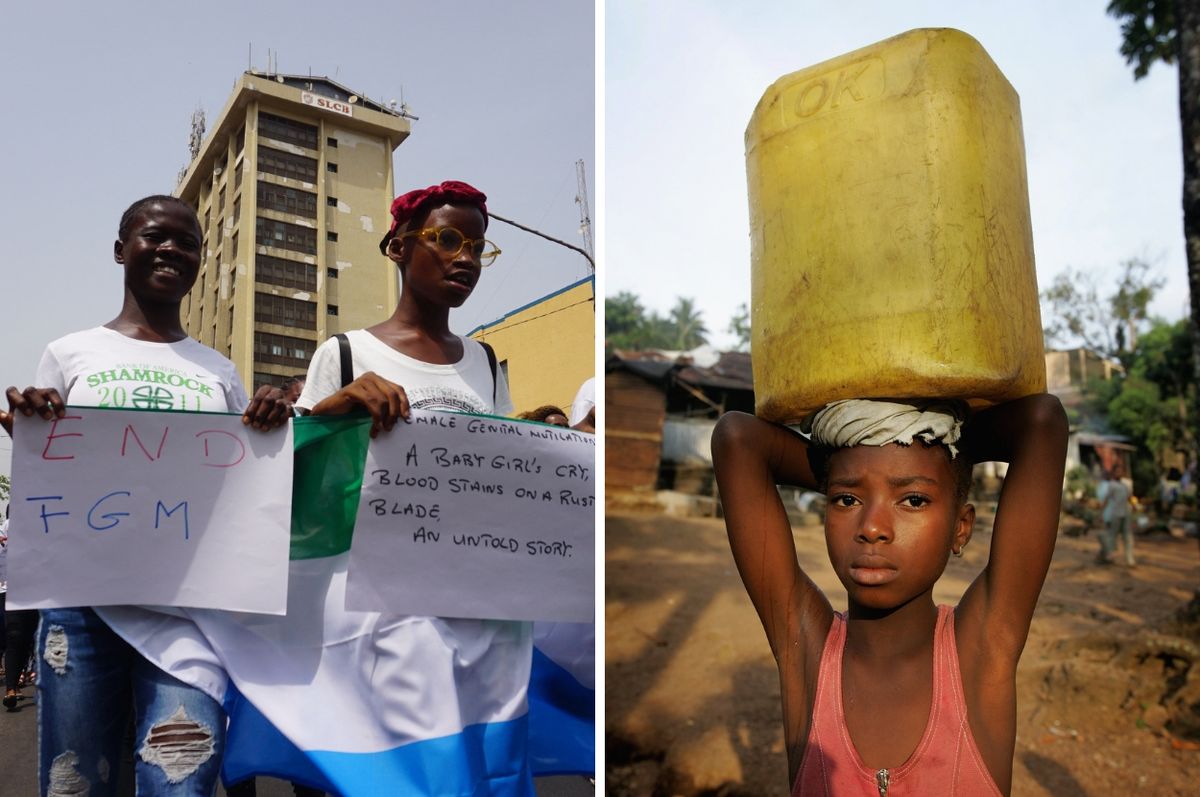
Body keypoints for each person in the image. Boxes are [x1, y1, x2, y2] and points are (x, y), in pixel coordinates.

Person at [2, 195, 290, 796]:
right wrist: (32, 421)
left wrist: (271, 417)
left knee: (180, 777)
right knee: (77, 778)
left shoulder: (218, 370)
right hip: (81, 607)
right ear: (119, 250)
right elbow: (49, 468)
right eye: (155, 236)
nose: (171, 249)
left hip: (187, 612)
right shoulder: (70, 351)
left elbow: (244, 484)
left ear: (199, 262)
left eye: (187, 242)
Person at [712, 393, 1067, 795]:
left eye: (913, 499)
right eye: (847, 499)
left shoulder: (980, 652)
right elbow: (737, 438)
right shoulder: (806, 652)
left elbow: (1041, 420)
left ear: (960, 527)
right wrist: (874, 450)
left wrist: (939, 447)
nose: (873, 527)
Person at [1097, 462, 1134, 566]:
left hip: (1126, 513)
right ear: (1113, 473)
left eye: (1121, 471)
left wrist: (1135, 507)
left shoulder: (1126, 484)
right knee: (1112, 535)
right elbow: (1106, 500)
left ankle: (1129, 558)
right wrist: (1101, 514)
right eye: (1117, 471)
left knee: (1127, 536)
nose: (1119, 473)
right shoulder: (1112, 485)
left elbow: (1130, 498)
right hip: (1115, 513)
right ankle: (1109, 555)